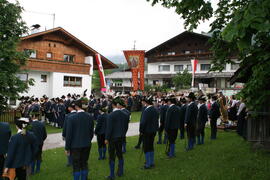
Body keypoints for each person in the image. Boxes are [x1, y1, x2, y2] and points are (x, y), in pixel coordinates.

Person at [65, 100, 94, 180]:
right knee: (84, 163)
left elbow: (69, 135)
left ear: (76, 107)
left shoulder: (71, 118)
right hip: (87, 144)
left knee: (76, 165)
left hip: (75, 145)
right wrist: (88, 140)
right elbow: (91, 132)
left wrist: (67, 148)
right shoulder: (90, 116)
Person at [105, 97, 129, 179]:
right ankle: (120, 171)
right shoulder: (125, 114)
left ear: (113, 105)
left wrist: (106, 138)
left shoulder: (111, 115)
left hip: (112, 138)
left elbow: (109, 128)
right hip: (121, 137)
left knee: (112, 156)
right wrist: (123, 134)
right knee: (120, 154)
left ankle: (112, 174)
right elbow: (126, 127)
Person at [139, 96, 159, 169]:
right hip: (153, 131)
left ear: (146, 103)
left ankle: (148, 164)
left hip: (147, 131)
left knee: (147, 147)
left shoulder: (146, 110)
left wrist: (141, 131)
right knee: (151, 146)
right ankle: (152, 162)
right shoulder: (155, 109)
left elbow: (143, 122)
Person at [62, 102, 77, 167]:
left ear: (70, 108)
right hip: (76, 134)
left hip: (69, 134)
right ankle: (75, 161)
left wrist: (63, 135)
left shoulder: (68, 116)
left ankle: (70, 162)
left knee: (69, 148)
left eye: (68, 107)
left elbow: (65, 127)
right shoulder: (77, 114)